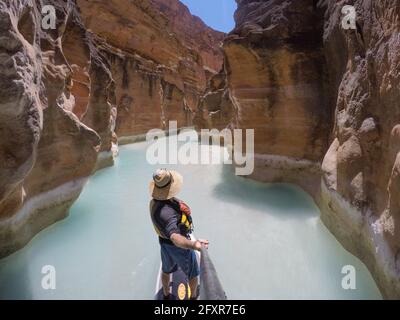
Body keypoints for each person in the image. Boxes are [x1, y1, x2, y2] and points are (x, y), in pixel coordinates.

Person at [149, 168, 209, 300]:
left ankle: (165, 295)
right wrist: (194, 244)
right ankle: (192, 298)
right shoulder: (167, 213)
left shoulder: (154, 202)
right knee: (193, 274)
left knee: (166, 270)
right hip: (178, 247)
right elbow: (175, 238)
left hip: (164, 244)